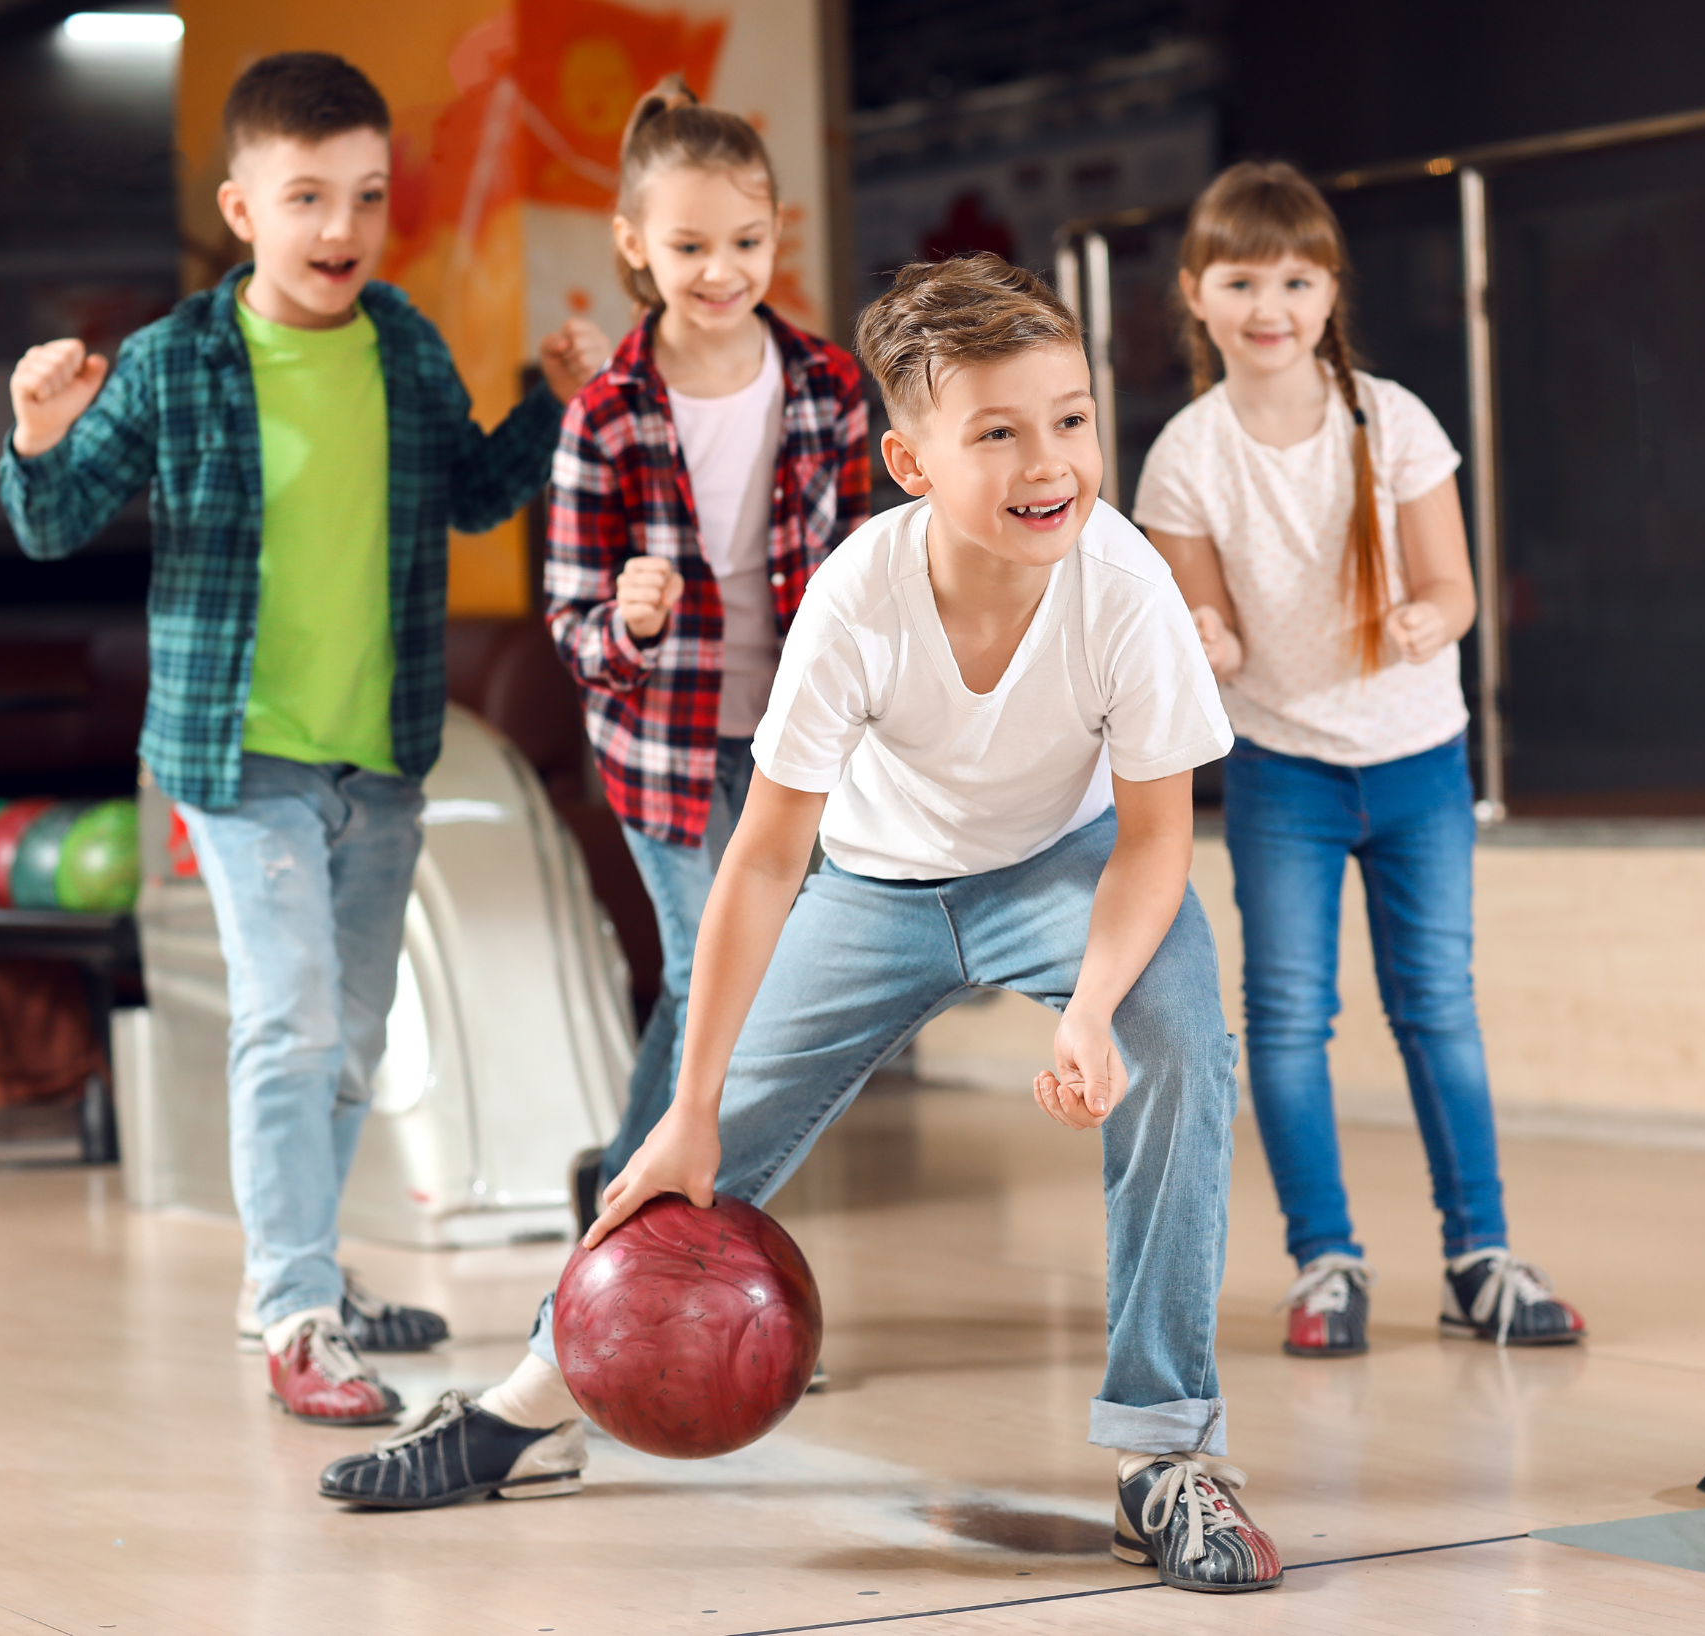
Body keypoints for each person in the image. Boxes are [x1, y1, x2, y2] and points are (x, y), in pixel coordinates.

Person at [318, 252, 1285, 1599]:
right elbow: (765, 861)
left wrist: (1089, 1008)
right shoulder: (858, 597)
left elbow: (1156, 839)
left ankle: (1163, 1454)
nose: (1046, 459)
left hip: (1067, 873)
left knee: (1180, 1042)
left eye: (1069, 418)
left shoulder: (1122, 589)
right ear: (908, 461)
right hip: (873, 886)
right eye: (995, 431)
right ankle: (529, 1410)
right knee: (691, 1153)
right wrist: (694, 1100)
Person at [0, 52, 607, 1424]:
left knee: (349, 1034)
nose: (341, 228)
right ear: (242, 208)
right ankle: (294, 1311)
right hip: (235, 752)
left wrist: (553, 404)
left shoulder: (400, 342)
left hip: (378, 757)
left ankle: (301, 1270)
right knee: (288, 1020)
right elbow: (53, 523)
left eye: (368, 197)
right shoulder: (174, 362)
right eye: (308, 197)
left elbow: (467, 494)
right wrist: (40, 437)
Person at [1133, 161, 1587, 1358]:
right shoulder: (1185, 453)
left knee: (1436, 1005)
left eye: (1295, 277)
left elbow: (1456, 586)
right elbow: (1205, 622)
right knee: (1285, 1019)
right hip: (1284, 771)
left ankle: (1478, 1255)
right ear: (1196, 293)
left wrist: (1435, 616)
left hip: (1420, 760)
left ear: (1330, 292)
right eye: (1240, 279)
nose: (1268, 303)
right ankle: (1325, 1261)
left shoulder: (1394, 420)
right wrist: (1209, 638)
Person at [544, 77, 868, 1231]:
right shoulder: (606, 410)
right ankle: (668, 1237)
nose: (722, 268)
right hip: (661, 750)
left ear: (778, 232)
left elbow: (871, 574)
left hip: (796, 742)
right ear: (635, 244)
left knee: (757, 986)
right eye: (688, 244)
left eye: (746, 239)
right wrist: (628, 622)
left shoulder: (829, 386)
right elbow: (571, 622)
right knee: (712, 977)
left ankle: (629, 1193)